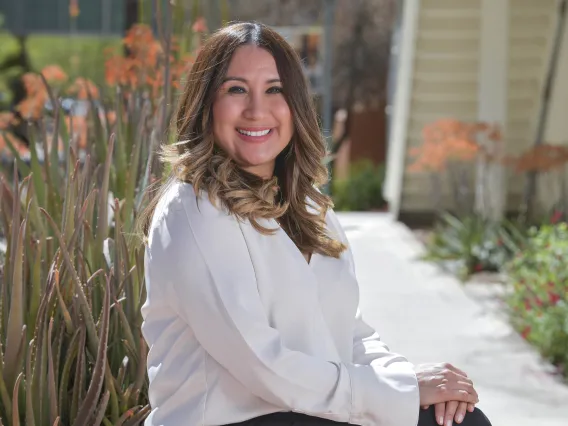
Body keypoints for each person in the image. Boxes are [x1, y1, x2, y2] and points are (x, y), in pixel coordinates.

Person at [137, 21, 493, 426]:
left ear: (295, 104)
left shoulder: (306, 205)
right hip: (231, 419)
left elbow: (349, 333)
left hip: (306, 410)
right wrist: (401, 392)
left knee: (461, 420)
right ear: (206, 105)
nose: (257, 109)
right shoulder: (192, 212)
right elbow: (262, 365)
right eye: (236, 89)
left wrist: (412, 383)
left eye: (274, 90)